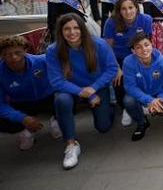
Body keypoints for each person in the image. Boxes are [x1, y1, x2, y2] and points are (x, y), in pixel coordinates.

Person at [46, 13, 117, 169]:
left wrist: (94, 89)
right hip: (70, 90)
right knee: (61, 100)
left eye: (76, 28)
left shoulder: (98, 44)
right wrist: (86, 93)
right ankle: (71, 144)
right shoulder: (53, 50)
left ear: (82, 29)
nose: (72, 32)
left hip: (97, 86)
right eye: (67, 29)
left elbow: (112, 68)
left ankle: (110, 105)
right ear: (60, 31)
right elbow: (56, 81)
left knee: (103, 127)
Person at [0, 36, 60, 150]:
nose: (13, 57)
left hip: (48, 97)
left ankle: (57, 121)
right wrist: (22, 118)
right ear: (2, 56)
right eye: (7, 54)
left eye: (17, 52)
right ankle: (23, 131)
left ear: (25, 51)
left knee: (67, 98)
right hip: (21, 103)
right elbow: (0, 104)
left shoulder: (42, 61)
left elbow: (63, 71)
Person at [103, 0, 152, 126]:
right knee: (119, 80)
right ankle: (126, 108)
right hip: (118, 58)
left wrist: (145, 61)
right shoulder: (111, 22)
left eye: (131, 7)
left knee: (144, 76)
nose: (128, 11)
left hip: (139, 55)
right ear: (118, 11)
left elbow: (147, 43)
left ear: (136, 8)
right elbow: (108, 48)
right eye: (123, 9)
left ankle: (144, 102)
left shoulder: (146, 20)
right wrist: (116, 68)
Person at [122, 33, 163, 141]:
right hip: (142, 93)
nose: (144, 49)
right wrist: (149, 100)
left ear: (151, 45)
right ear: (133, 51)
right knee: (128, 100)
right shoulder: (128, 62)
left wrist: (160, 99)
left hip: (160, 92)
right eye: (138, 47)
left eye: (146, 44)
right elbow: (130, 86)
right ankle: (142, 122)